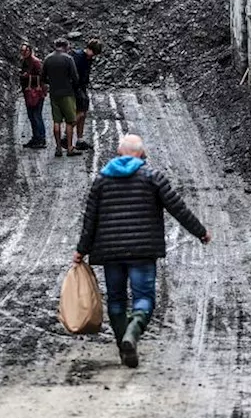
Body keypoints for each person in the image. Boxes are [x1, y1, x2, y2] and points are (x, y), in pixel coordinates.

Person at [73, 134, 211, 368]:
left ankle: (123, 345)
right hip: (143, 251)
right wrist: (200, 232)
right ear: (139, 154)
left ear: (119, 154)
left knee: (116, 300)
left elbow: (90, 219)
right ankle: (132, 333)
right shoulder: (152, 177)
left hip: (110, 253)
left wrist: (81, 250)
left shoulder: (102, 181)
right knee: (144, 299)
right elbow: (178, 208)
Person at [42, 38, 81, 157]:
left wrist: (52, 82)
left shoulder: (48, 59)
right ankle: (69, 148)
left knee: (56, 121)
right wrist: (73, 87)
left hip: (54, 93)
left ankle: (58, 148)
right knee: (70, 121)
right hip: (67, 93)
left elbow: (43, 77)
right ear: (65, 46)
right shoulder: (68, 59)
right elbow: (75, 77)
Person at [69, 39, 103, 151]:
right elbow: (73, 74)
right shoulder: (78, 57)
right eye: (93, 53)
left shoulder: (87, 58)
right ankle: (68, 131)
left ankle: (80, 139)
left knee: (83, 113)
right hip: (76, 88)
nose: (93, 56)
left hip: (81, 87)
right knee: (81, 112)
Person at [19, 44, 48, 149]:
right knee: (31, 116)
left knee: (37, 115)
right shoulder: (24, 62)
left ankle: (41, 138)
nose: (23, 53)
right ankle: (36, 137)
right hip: (28, 93)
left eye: (25, 51)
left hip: (36, 93)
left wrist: (29, 77)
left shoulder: (35, 62)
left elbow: (43, 77)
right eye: (22, 51)